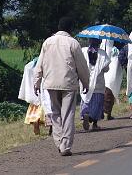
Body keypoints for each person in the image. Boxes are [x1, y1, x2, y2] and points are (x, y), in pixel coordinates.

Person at [34, 17, 90, 156]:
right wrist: (86, 82)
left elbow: (40, 64)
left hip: (51, 83)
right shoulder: (73, 43)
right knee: (68, 114)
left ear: (58, 27)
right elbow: (82, 66)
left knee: (55, 114)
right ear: (70, 29)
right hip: (68, 84)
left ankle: (59, 141)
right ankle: (65, 146)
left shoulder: (48, 42)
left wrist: (37, 82)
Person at [80, 38, 111, 131]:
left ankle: (85, 114)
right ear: (100, 42)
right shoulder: (102, 53)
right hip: (98, 84)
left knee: (86, 101)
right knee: (97, 104)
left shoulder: (83, 51)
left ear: (89, 41)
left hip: (86, 82)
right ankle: (94, 123)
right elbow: (106, 69)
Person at [18, 57, 52, 135]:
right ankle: (51, 128)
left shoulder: (29, 66)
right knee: (49, 109)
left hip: (34, 95)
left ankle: (36, 122)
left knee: (36, 111)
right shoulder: (47, 63)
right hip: (45, 94)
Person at [103, 40, 126, 120]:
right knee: (111, 93)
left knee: (106, 93)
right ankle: (108, 114)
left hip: (106, 74)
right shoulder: (118, 48)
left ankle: (106, 114)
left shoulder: (103, 48)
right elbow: (121, 60)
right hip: (114, 74)